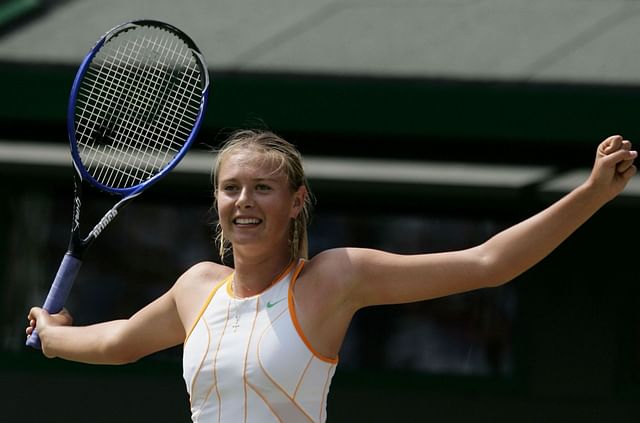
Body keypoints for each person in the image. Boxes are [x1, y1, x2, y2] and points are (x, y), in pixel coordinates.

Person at [26, 130, 637, 422]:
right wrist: (52, 334)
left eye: (263, 188)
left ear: (296, 202)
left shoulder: (333, 278)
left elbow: (488, 263)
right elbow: (119, 341)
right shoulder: (196, 288)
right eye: (231, 188)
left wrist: (588, 195)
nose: (244, 201)